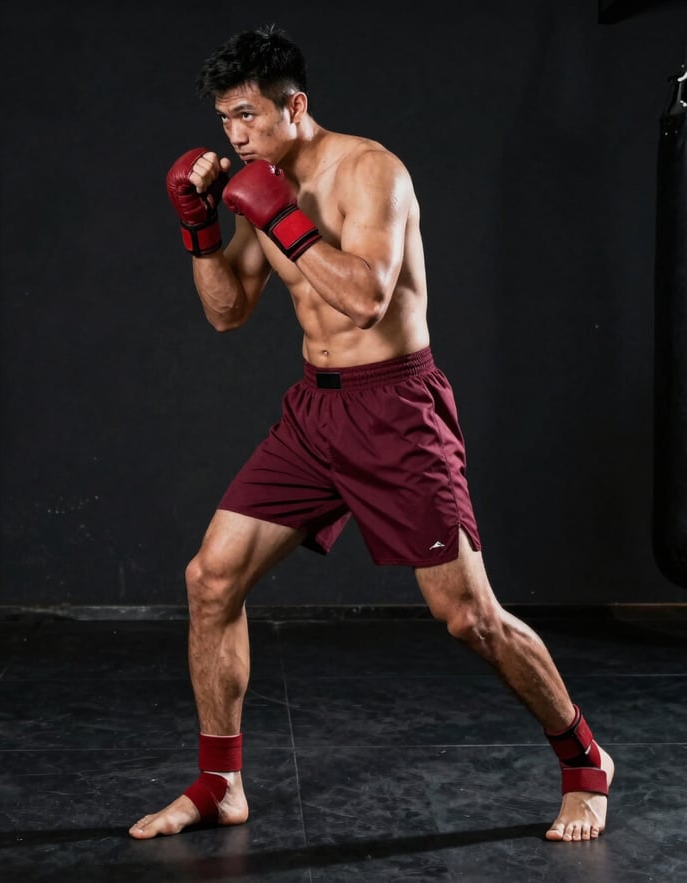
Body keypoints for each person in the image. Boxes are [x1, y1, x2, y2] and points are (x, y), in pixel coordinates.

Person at [129, 24, 614, 843]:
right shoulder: (259, 184)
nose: (236, 136)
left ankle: (585, 761)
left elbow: (364, 299)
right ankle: (220, 783)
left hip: (395, 411)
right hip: (314, 414)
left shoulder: (371, 171)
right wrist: (200, 225)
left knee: (470, 617)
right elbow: (225, 312)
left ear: (296, 105)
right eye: (225, 121)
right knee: (210, 580)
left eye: (248, 115)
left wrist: (277, 216)